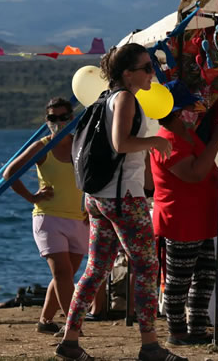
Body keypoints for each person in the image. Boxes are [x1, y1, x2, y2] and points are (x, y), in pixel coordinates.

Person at [56, 44, 187, 361]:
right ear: (127, 73)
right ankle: (150, 345)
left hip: (98, 198)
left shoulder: (105, 100)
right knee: (146, 267)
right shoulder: (126, 98)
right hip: (124, 199)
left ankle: (70, 340)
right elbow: (121, 143)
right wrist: (154, 141)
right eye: (146, 68)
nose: (151, 73)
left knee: (96, 268)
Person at [149, 80, 218, 346]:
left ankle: (197, 327)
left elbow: (211, 172)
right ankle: (177, 331)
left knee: (205, 276)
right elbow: (194, 174)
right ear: (178, 111)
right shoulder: (166, 141)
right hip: (181, 220)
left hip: (200, 218)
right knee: (180, 279)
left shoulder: (185, 135)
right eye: (191, 108)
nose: (196, 112)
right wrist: (216, 140)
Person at [4, 97, 87, 335]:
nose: (58, 122)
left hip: (78, 218)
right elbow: (10, 174)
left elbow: (94, 179)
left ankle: (45, 322)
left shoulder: (80, 145)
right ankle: (74, 326)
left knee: (66, 275)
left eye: (63, 117)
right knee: (61, 273)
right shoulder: (42, 147)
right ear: (46, 120)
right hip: (48, 217)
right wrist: (32, 197)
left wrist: (94, 208)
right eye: (52, 118)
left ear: (71, 119)